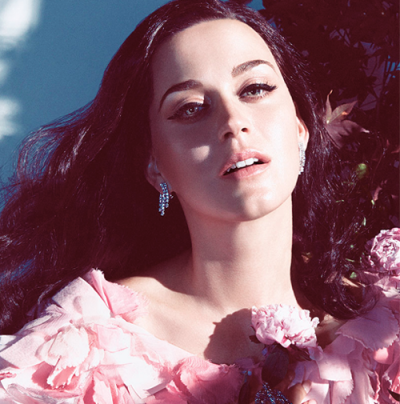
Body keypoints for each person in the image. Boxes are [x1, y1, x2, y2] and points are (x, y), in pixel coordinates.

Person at [0, 0, 398, 403]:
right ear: (155, 165)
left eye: (255, 89)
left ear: (300, 128)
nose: (233, 121)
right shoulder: (83, 354)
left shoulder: (384, 327)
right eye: (191, 108)